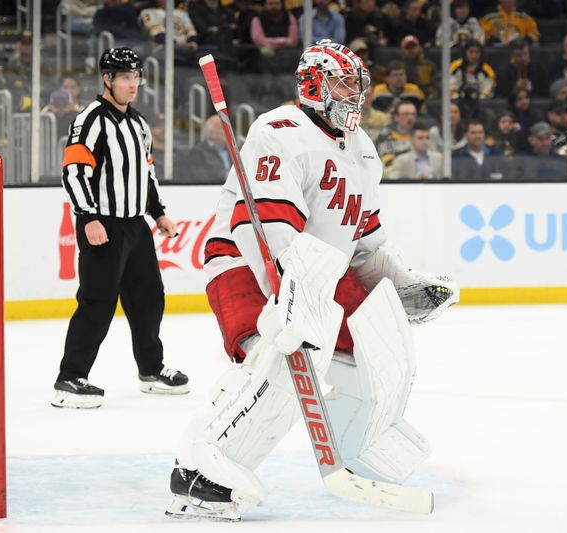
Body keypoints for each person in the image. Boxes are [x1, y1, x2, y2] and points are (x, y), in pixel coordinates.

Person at [165, 39, 458, 521]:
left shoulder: (362, 150)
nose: (354, 95)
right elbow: (263, 225)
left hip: (318, 270)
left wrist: (402, 284)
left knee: (374, 342)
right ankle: (201, 468)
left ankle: (363, 441)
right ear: (313, 84)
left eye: (357, 85)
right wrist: (287, 293)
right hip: (244, 260)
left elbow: (364, 244)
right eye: (343, 83)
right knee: (275, 355)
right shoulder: (279, 131)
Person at [52, 48, 189, 409]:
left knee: (149, 299)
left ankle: (151, 370)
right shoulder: (90, 120)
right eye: (125, 77)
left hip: (135, 226)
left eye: (136, 76)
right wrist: (87, 216)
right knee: (97, 303)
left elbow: (147, 174)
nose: (133, 84)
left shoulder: (139, 124)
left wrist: (157, 213)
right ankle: (69, 379)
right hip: (103, 224)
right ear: (107, 80)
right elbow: (74, 172)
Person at [182, 115, 231, 182]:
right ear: (213, 133)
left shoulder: (235, 151)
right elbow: (201, 180)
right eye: (223, 128)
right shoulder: (197, 153)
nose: (229, 131)